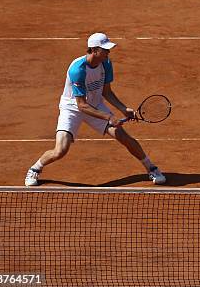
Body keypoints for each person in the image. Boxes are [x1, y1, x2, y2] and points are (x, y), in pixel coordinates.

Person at [24, 33, 166, 186]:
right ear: (93, 50)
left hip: (96, 104)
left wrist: (123, 109)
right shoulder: (77, 70)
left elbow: (107, 92)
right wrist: (109, 117)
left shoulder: (106, 63)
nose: (108, 52)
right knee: (60, 150)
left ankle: (151, 168)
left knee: (123, 136)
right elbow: (82, 105)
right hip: (72, 108)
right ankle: (35, 168)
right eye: (105, 49)